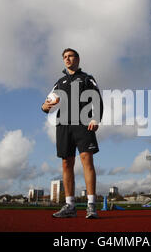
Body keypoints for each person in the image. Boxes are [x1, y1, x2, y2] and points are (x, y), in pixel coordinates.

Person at [42, 48, 103, 219]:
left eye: (70, 56)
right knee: (66, 163)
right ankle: (70, 206)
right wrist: (44, 107)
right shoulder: (59, 82)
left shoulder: (86, 78)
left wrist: (96, 119)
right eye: (64, 57)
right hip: (63, 125)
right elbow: (48, 103)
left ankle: (91, 205)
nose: (67, 59)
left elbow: (97, 99)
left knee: (86, 160)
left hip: (83, 123)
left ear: (77, 59)